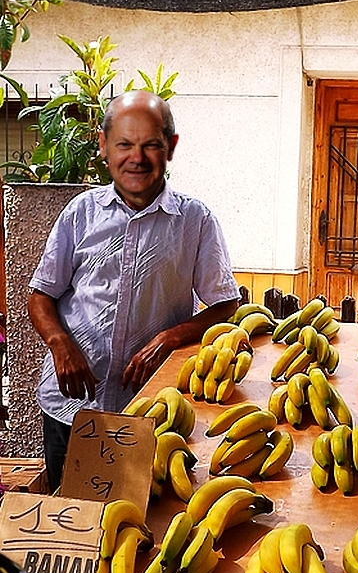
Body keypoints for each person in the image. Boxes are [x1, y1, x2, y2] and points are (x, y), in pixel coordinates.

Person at [28, 90, 241, 492]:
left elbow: (225, 303)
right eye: (124, 144)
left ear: (170, 148)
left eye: (151, 145)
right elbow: (41, 295)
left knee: (137, 524)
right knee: (72, 519)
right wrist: (60, 344)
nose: (136, 158)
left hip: (147, 409)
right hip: (69, 405)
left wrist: (170, 336)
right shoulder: (80, 214)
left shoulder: (195, 221)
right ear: (104, 146)